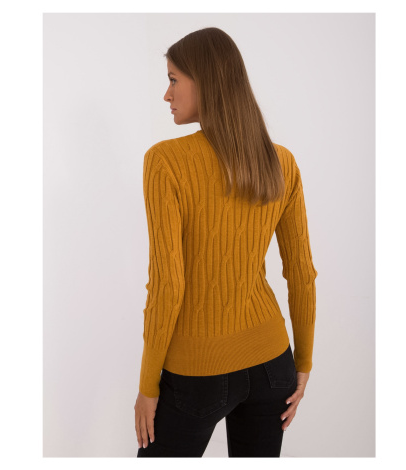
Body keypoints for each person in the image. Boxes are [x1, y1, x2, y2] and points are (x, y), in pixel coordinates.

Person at [134, 27, 318, 458]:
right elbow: (302, 273)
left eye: (174, 79)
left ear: (206, 82)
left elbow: (168, 285)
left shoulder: (165, 162)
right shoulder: (281, 162)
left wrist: (147, 386)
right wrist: (303, 362)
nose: (166, 94)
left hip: (197, 372)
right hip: (273, 364)